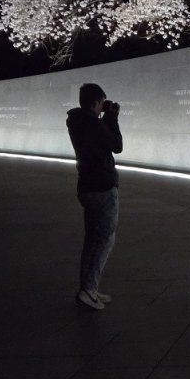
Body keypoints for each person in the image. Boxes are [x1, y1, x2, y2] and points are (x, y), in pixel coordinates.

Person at [66, 83, 123, 310]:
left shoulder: (77, 121)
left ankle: (88, 288)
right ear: (97, 102)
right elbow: (117, 145)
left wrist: (105, 118)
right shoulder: (92, 123)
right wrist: (113, 118)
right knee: (103, 241)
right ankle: (88, 291)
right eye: (102, 103)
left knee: (92, 240)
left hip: (87, 185)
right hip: (102, 187)